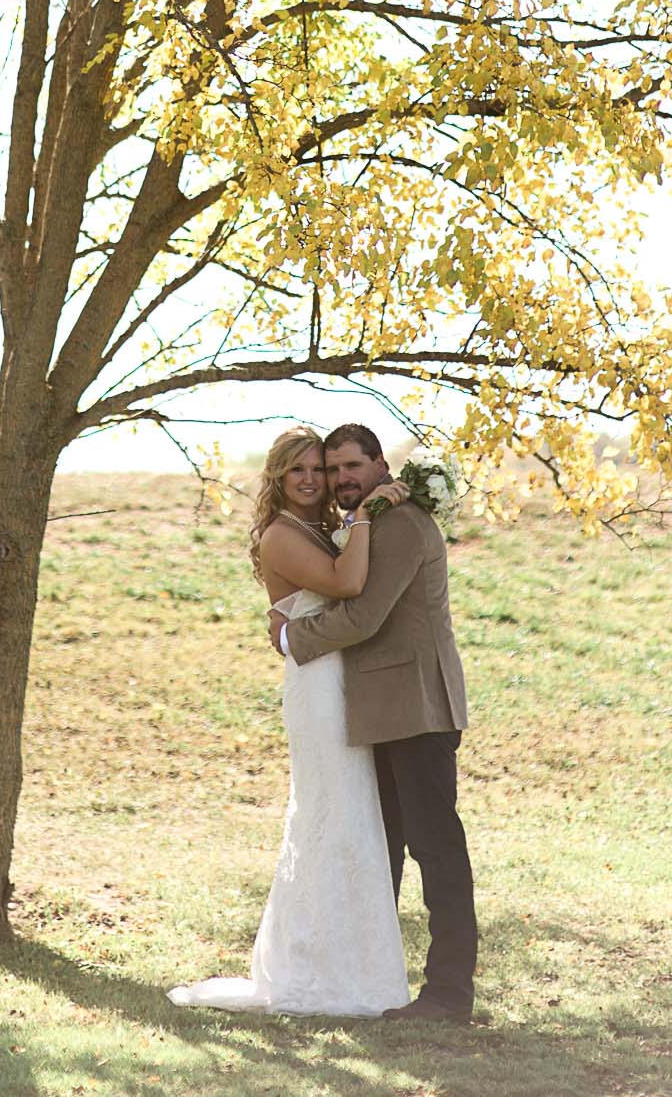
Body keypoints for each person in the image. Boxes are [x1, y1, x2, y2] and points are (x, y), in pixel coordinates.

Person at [167, 424, 413, 1016]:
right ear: (278, 478)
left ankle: (349, 962)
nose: (312, 480)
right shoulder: (282, 535)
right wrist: (370, 513)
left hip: (341, 677)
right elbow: (348, 583)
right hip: (319, 684)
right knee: (333, 812)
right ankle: (314, 970)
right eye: (298, 470)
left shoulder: (318, 527)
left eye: (320, 470)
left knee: (351, 814)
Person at [279, 423, 477, 1024]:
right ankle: (376, 979)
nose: (340, 478)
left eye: (350, 467)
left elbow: (363, 616)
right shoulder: (371, 520)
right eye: (332, 468)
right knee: (384, 847)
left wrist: (293, 636)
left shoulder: (399, 524)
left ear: (379, 464)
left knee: (433, 846)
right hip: (384, 711)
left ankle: (449, 993)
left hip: (415, 708)